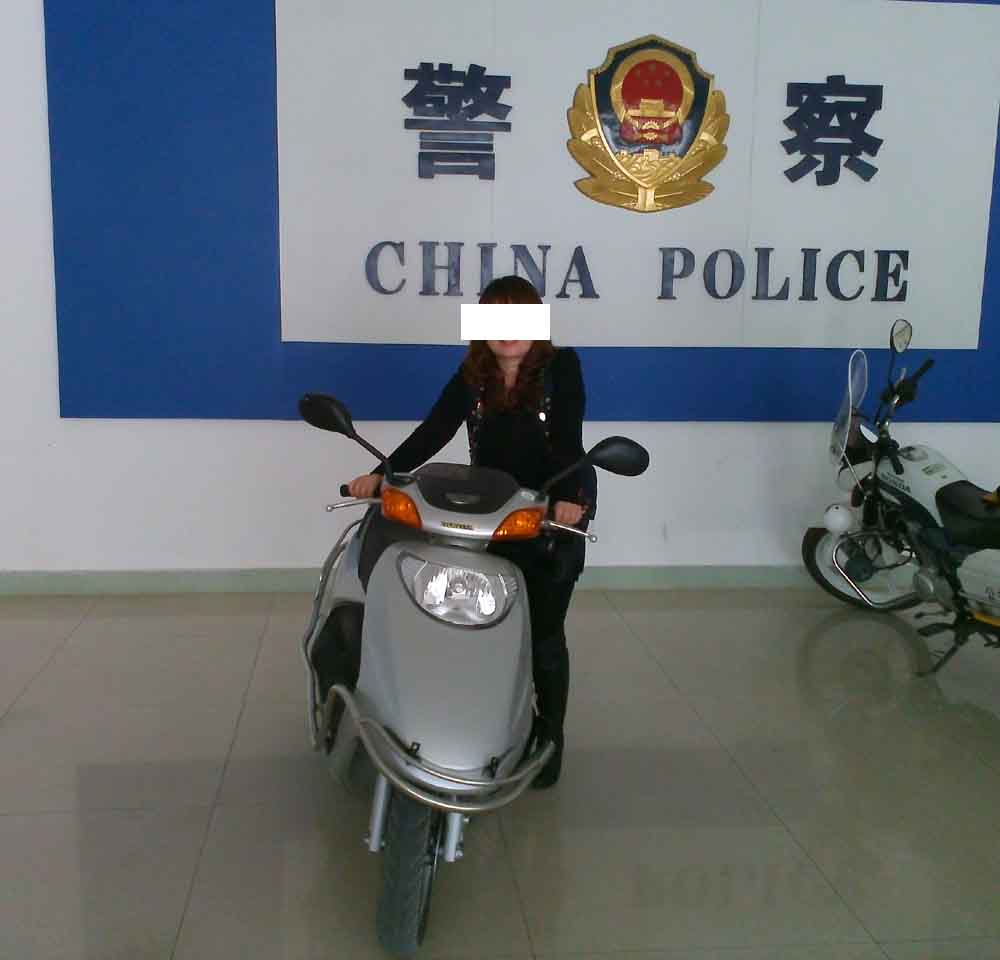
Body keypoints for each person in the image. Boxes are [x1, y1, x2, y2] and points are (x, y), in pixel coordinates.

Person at [342, 275, 593, 788]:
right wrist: (382, 475)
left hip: (548, 515)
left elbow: (570, 437)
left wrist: (572, 501)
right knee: (471, 624)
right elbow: (432, 432)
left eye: (519, 316)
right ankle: (468, 726)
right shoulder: (472, 375)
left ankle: (550, 738)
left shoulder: (562, 367)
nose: (508, 330)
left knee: (542, 635)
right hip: (489, 518)